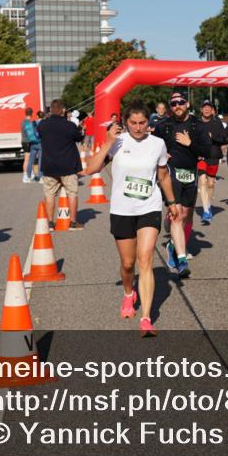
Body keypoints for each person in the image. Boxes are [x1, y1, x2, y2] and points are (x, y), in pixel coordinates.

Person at [84, 103, 181, 337]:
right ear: (125, 122)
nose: (138, 128)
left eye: (143, 123)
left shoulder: (157, 144)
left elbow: (163, 175)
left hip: (149, 206)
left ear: (149, 122)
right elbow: (90, 169)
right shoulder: (117, 142)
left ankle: (146, 318)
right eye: (133, 123)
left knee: (145, 259)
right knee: (128, 264)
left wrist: (171, 201)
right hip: (122, 209)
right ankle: (129, 293)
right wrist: (108, 141)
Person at [155, 92, 211, 278]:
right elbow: (153, 145)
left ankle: (172, 244)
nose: (177, 105)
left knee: (186, 215)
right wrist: (161, 155)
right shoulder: (164, 126)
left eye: (180, 102)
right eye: (173, 103)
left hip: (191, 174)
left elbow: (207, 150)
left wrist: (190, 143)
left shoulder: (198, 126)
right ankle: (181, 260)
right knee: (178, 214)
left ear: (187, 103)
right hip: (171, 174)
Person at [38, 99, 85, 230]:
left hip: (49, 166)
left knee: (50, 194)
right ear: (63, 110)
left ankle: (50, 223)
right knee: (72, 193)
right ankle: (73, 222)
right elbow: (79, 138)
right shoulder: (69, 126)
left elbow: (39, 135)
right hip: (68, 165)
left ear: (51, 110)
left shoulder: (43, 125)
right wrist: (81, 129)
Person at [196, 100, 228, 224]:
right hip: (201, 157)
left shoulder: (217, 122)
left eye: (209, 107)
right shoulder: (197, 123)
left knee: (210, 183)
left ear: (212, 110)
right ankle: (205, 210)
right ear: (201, 109)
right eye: (205, 107)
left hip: (213, 156)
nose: (207, 109)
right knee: (202, 181)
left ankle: (208, 206)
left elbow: (224, 139)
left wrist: (212, 138)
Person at [21, 107, 42, 183]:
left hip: (23, 141)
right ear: (32, 113)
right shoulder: (30, 122)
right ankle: (25, 176)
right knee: (27, 160)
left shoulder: (23, 122)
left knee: (28, 160)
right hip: (29, 142)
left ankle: (30, 174)